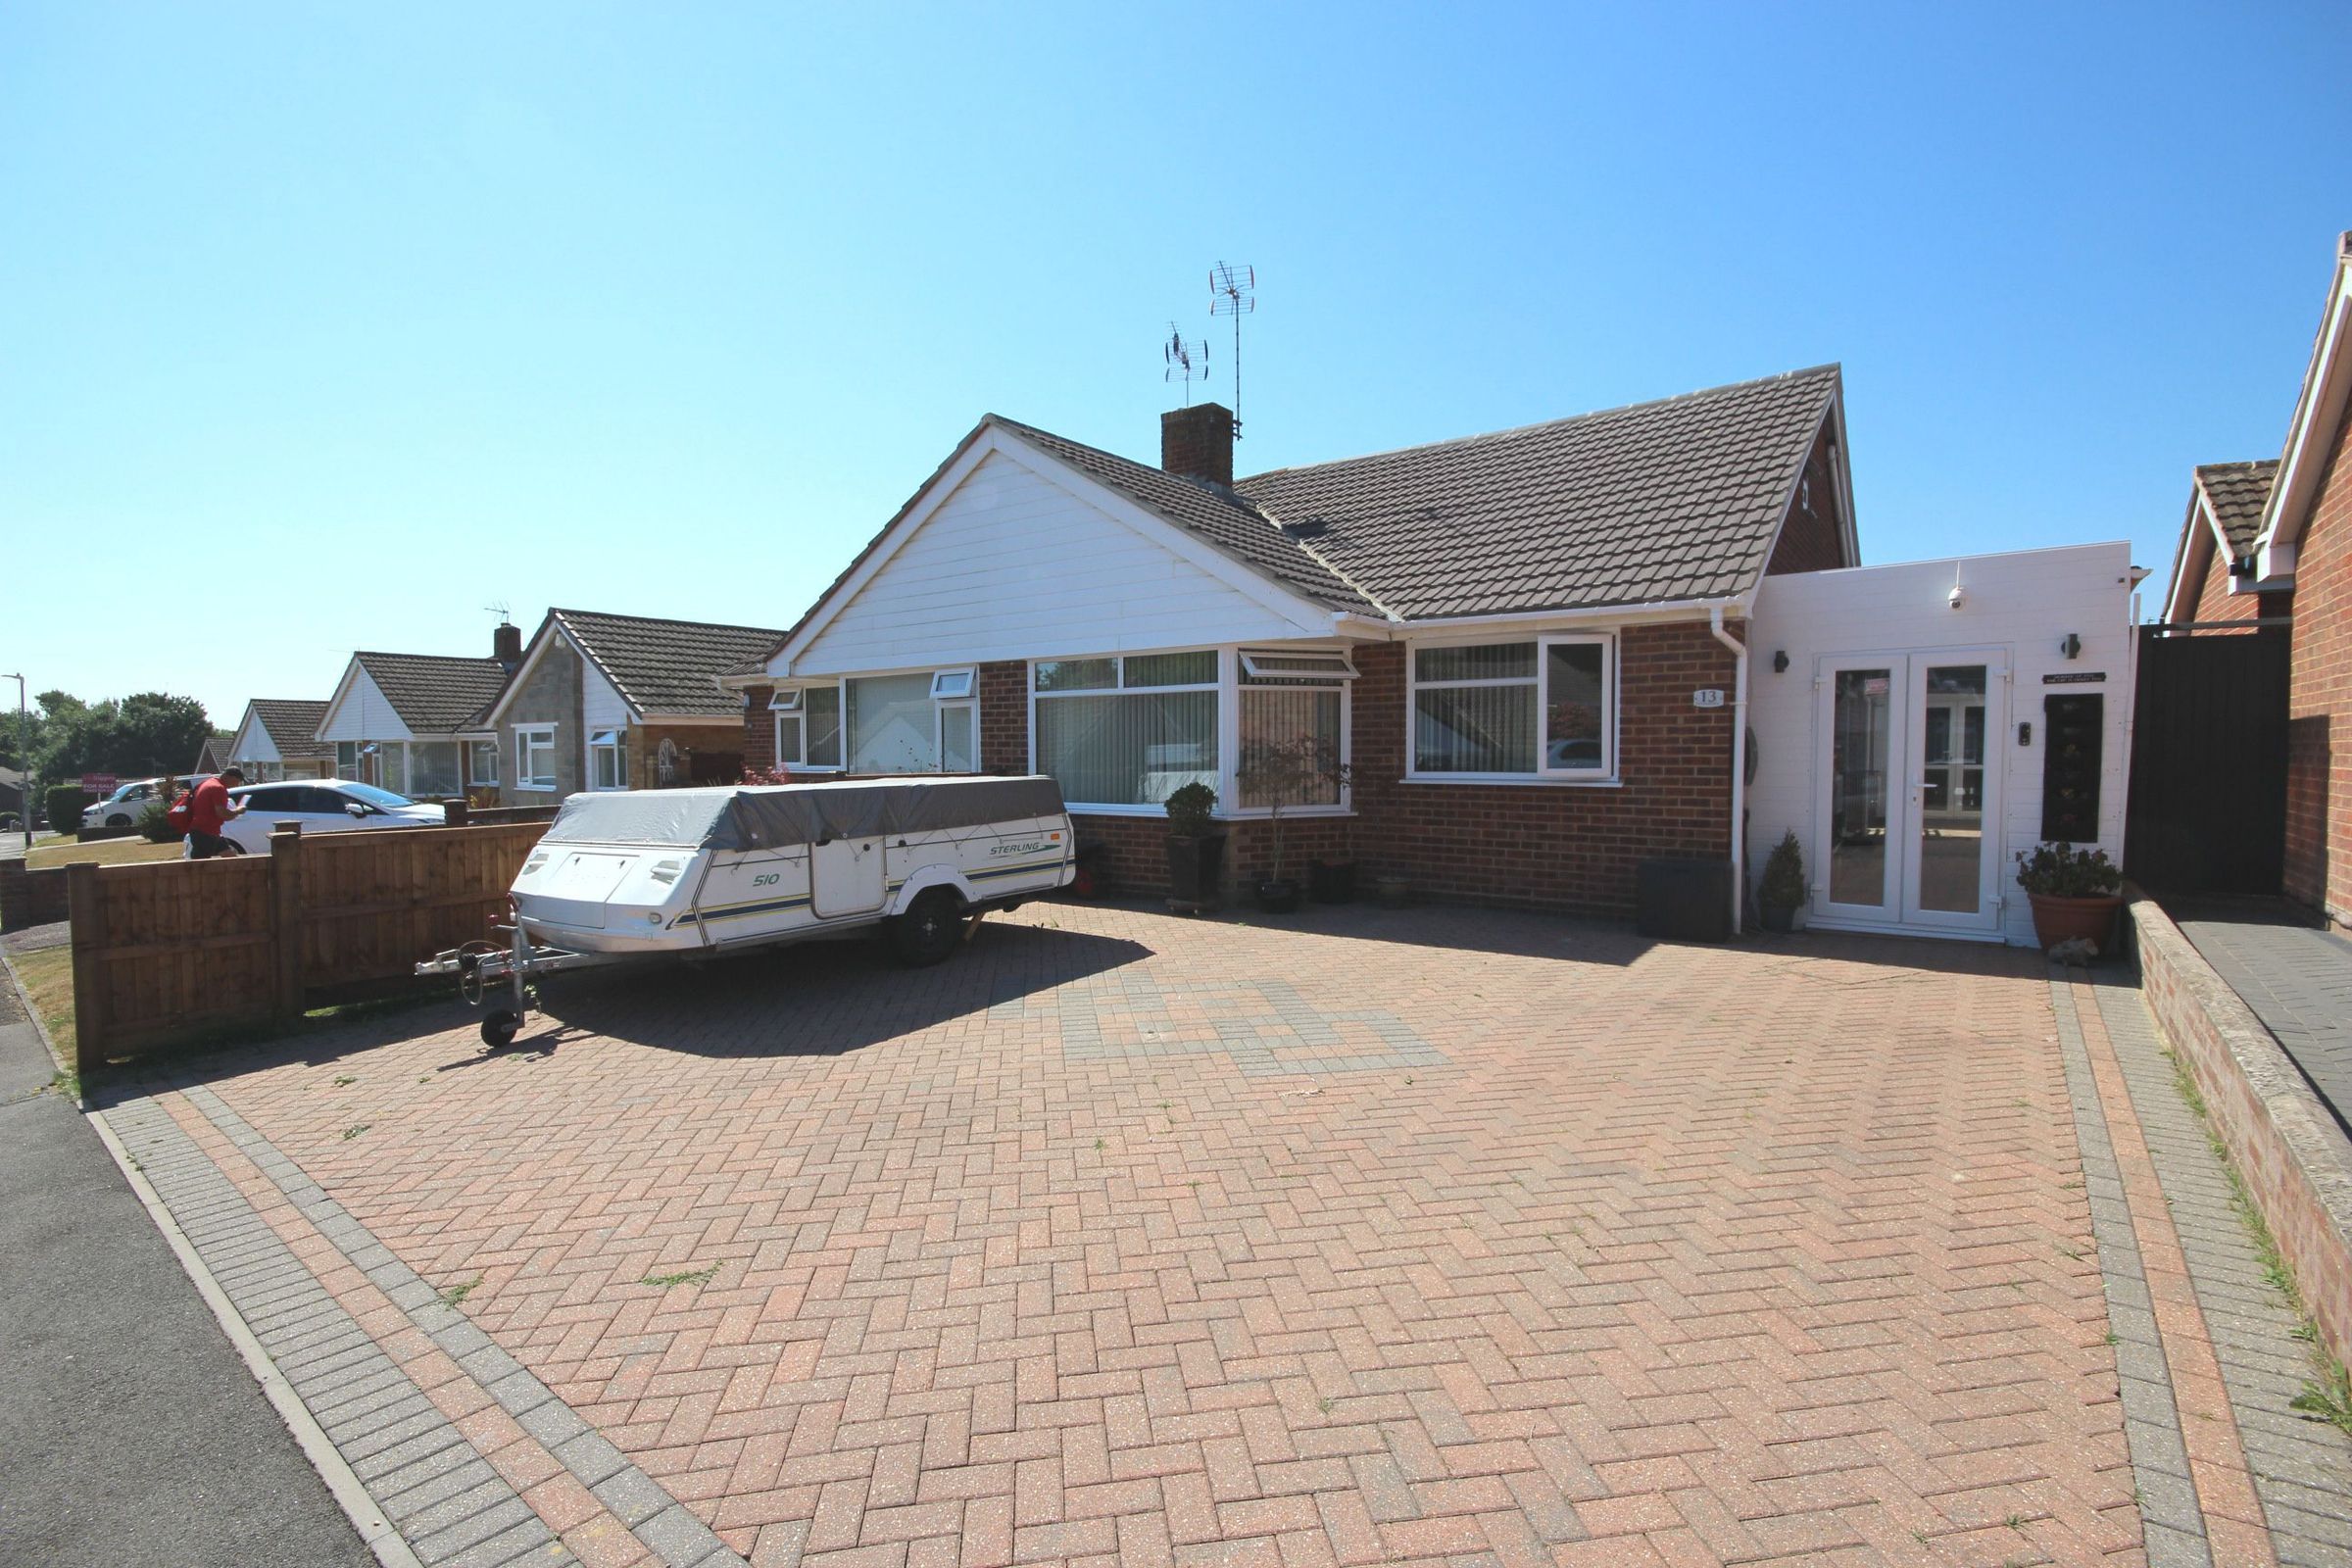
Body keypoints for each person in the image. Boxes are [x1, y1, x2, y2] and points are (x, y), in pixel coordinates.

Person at [183, 767, 247, 858]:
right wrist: (238, 810)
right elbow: (222, 813)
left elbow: (222, 815)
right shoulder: (218, 788)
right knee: (200, 863)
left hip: (209, 831)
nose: (236, 785)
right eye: (237, 782)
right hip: (205, 832)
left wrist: (234, 814)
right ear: (231, 778)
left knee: (230, 856)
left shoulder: (209, 782)